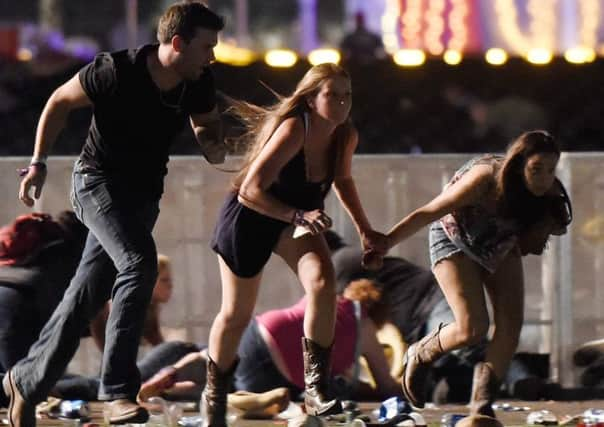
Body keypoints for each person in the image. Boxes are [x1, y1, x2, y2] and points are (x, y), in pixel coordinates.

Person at [6, 2, 226, 425]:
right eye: (206, 47)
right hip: (96, 183)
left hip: (142, 198)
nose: (212, 56)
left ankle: (26, 381)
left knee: (84, 298)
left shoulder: (197, 80)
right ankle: (118, 392)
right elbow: (57, 102)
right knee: (140, 265)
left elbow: (208, 132)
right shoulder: (114, 71)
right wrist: (38, 164)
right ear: (177, 43)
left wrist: (223, 146)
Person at [203, 62, 387, 426]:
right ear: (311, 97)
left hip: (295, 219)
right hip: (252, 216)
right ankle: (215, 396)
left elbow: (343, 180)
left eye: (346, 95)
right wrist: (297, 217)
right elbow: (250, 190)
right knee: (236, 314)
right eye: (331, 95)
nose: (340, 103)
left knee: (323, 282)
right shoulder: (294, 128)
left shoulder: (344, 135)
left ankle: (316, 389)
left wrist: (366, 229)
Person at [367, 131, 571, 427]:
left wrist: (539, 229)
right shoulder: (485, 178)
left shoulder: (550, 195)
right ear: (518, 165)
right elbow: (428, 212)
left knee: (510, 327)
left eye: (551, 170)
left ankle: (483, 402)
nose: (543, 179)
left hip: (499, 243)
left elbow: (534, 244)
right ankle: (420, 353)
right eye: (536, 169)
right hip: (454, 238)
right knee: (473, 327)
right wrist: (384, 243)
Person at [134, 278, 401, 404]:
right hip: (277, 369)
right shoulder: (364, 324)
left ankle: (170, 375)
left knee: (213, 362)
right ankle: (171, 393)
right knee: (229, 392)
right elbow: (385, 384)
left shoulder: (328, 298)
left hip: (261, 329)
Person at [0, 211, 88, 406]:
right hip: (15, 317)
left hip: (12, 314)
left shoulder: (40, 252)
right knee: (29, 387)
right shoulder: (70, 259)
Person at [90, 254, 174, 351]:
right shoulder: (131, 304)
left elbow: (157, 342)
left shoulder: (150, 306)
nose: (170, 285)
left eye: (170, 280)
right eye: (164, 280)